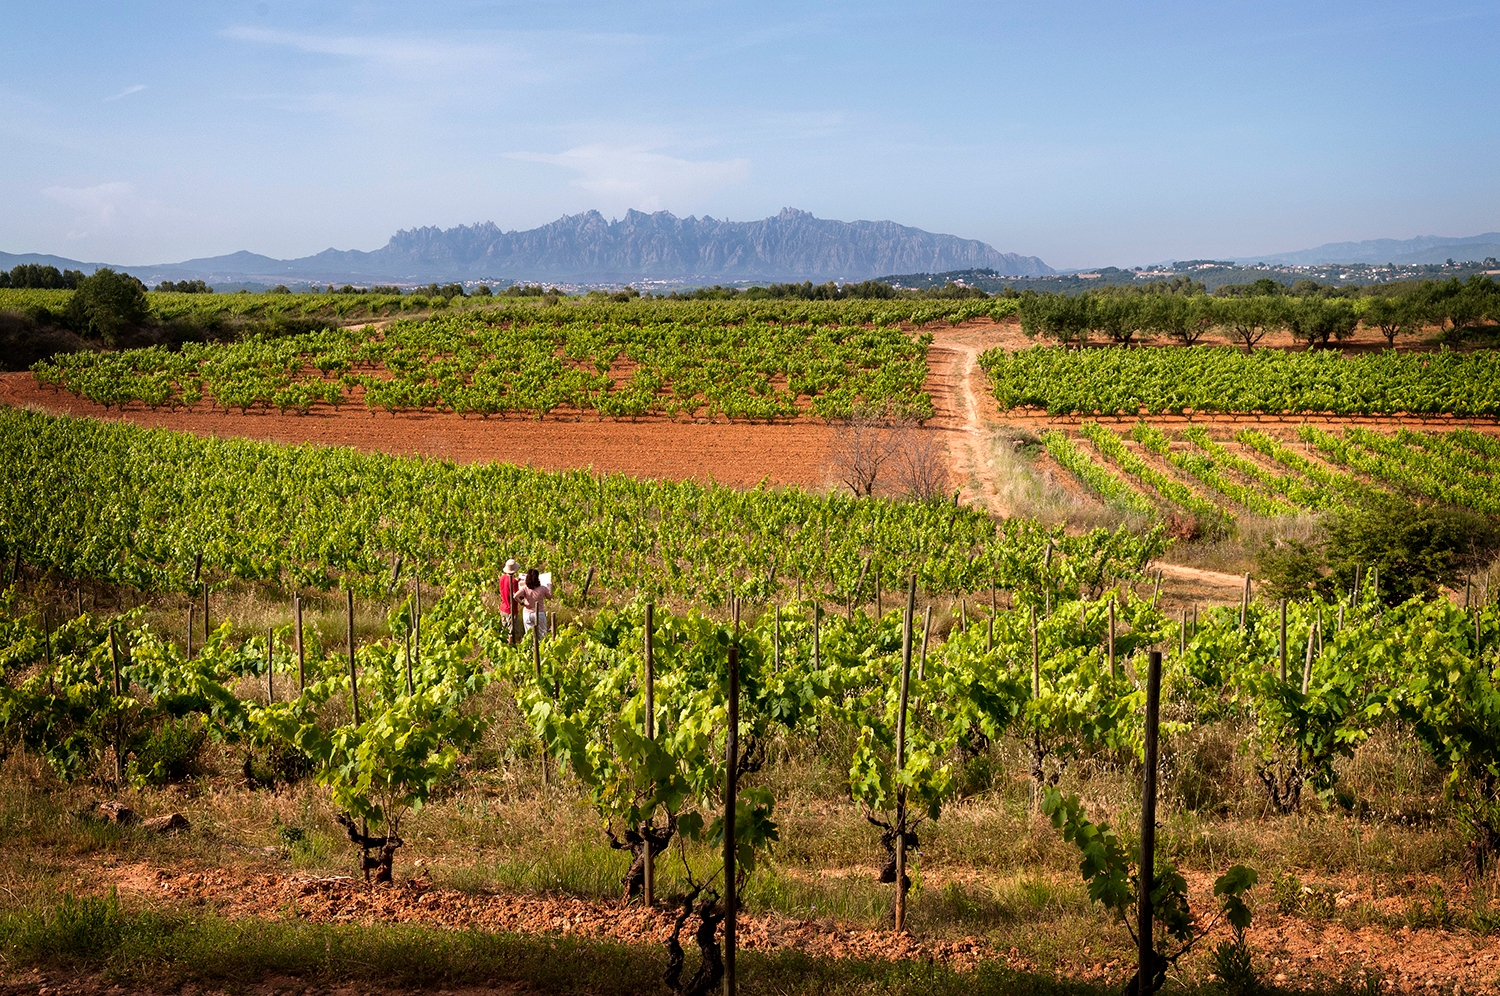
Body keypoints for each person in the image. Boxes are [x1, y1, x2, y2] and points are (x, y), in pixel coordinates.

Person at [517, 567, 553, 639]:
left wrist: (522, 604)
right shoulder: (543, 588)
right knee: (542, 635)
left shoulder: (525, 588)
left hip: (527, 614)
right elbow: (549, 597)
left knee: (529, 636)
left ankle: (532, 649)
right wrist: (550, 587)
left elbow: (515, 596)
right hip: (539, 613)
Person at [498, 559, 521, 645]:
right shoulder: (513, 581)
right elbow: (516, 595)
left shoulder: (502, 577)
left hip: (503, 607)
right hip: (511, 609)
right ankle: (511, 647)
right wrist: (522, 602)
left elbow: (506, 588)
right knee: (512, 632)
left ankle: (504, 646)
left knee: (505, 629)